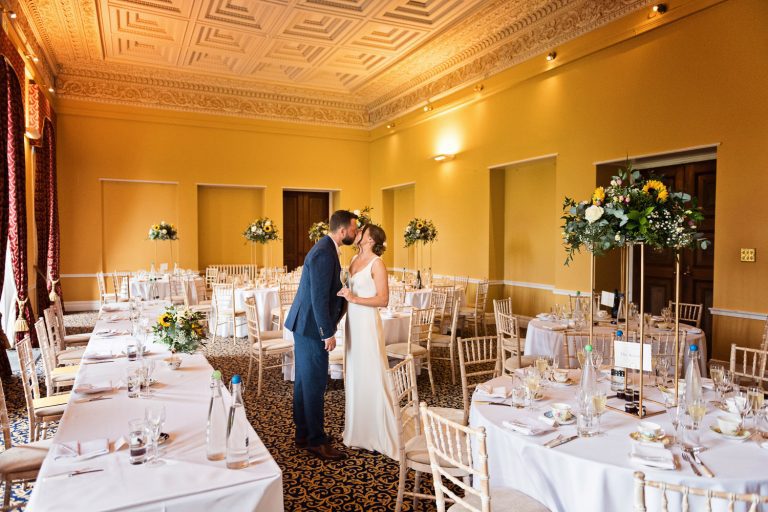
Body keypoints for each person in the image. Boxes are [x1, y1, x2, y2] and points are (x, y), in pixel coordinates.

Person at [284, 210, 358, 461]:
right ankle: (316, 440)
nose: (356, 233)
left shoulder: (326, 248)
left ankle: (304, 433)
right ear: (342, 230)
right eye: (354, 229)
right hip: (311, 327)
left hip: (305, 325)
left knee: (305, 382)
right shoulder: (323, 253)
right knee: (314, 384)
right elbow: (317, 297)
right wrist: (327, 333)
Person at [337, 224, 399, 459]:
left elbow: (383, 299)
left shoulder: (377, 264)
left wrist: (354, 297)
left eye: (361, 231)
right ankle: (358, 431)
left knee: (372, 372)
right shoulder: (353, 259)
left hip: (368, 324)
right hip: (353, 322)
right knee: (355, 373)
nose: (356, 234)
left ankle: (378, 432)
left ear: (371, 238)